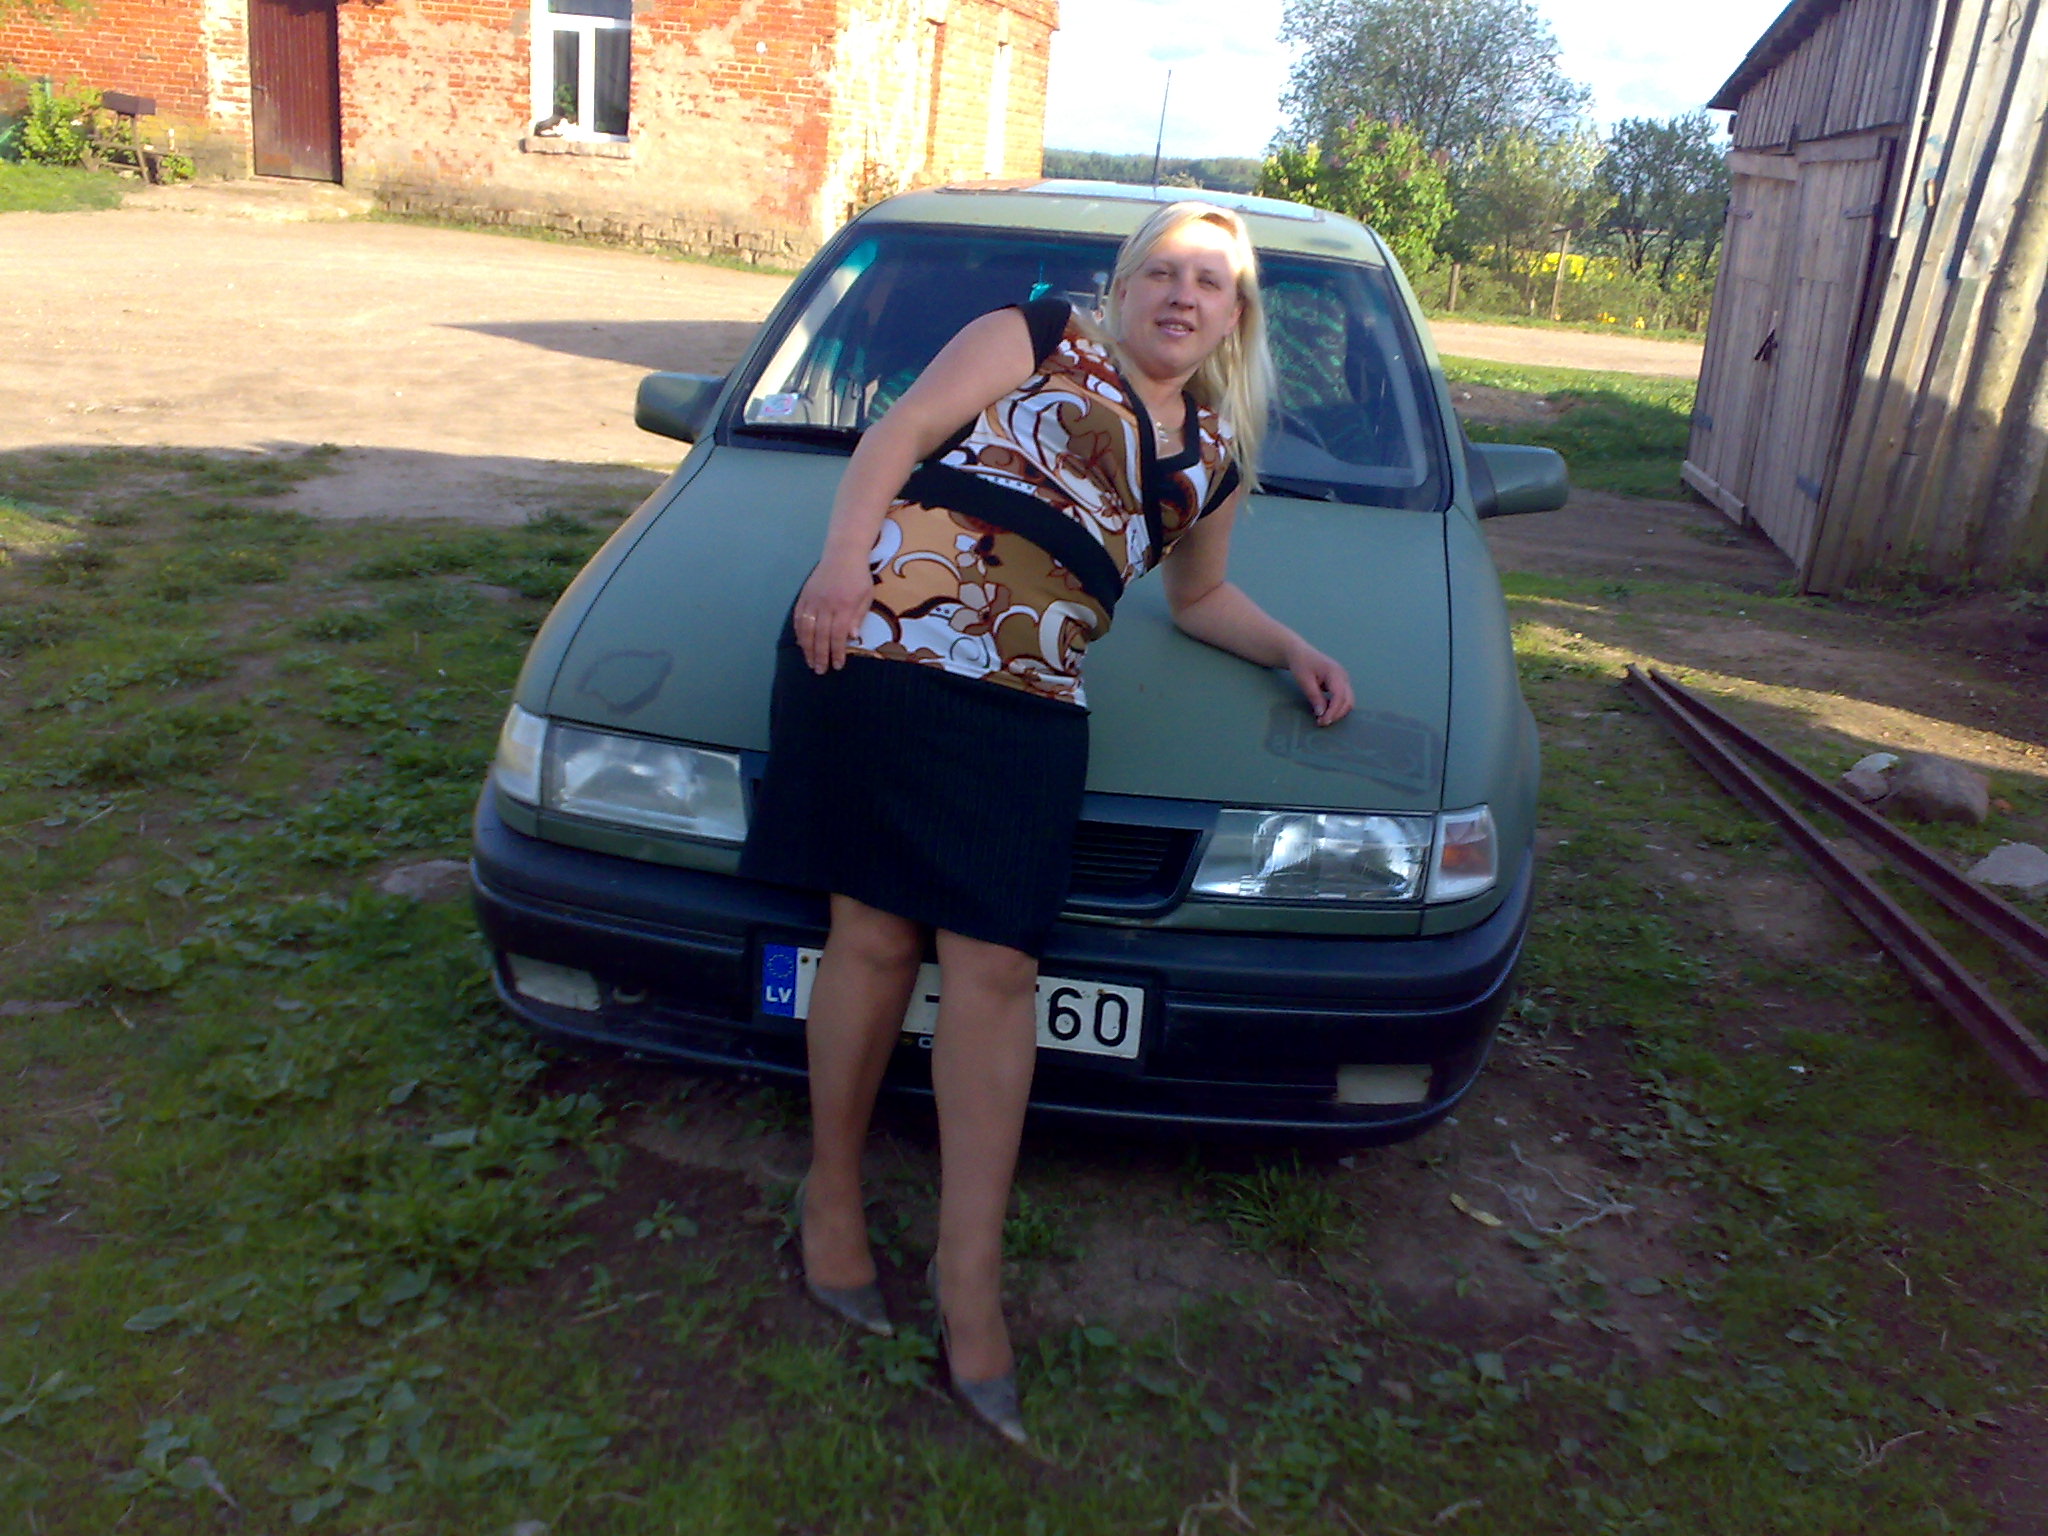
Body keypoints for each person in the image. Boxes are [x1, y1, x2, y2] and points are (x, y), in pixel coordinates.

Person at [739, 201, 1355, 1445]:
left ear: (1234, 318)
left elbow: (1199, 599)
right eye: (1162, 270)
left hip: (1025, 701)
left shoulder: (1213, 461)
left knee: (999, 969)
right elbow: (901, 432)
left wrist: (1291, 648)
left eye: (1210, 282)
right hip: (880, 648)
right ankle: (833, 1200)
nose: (1181, 294)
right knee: (871, 939)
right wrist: (839, 564)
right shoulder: (1035, 334)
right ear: (1122, 287)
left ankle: (966, 1279)